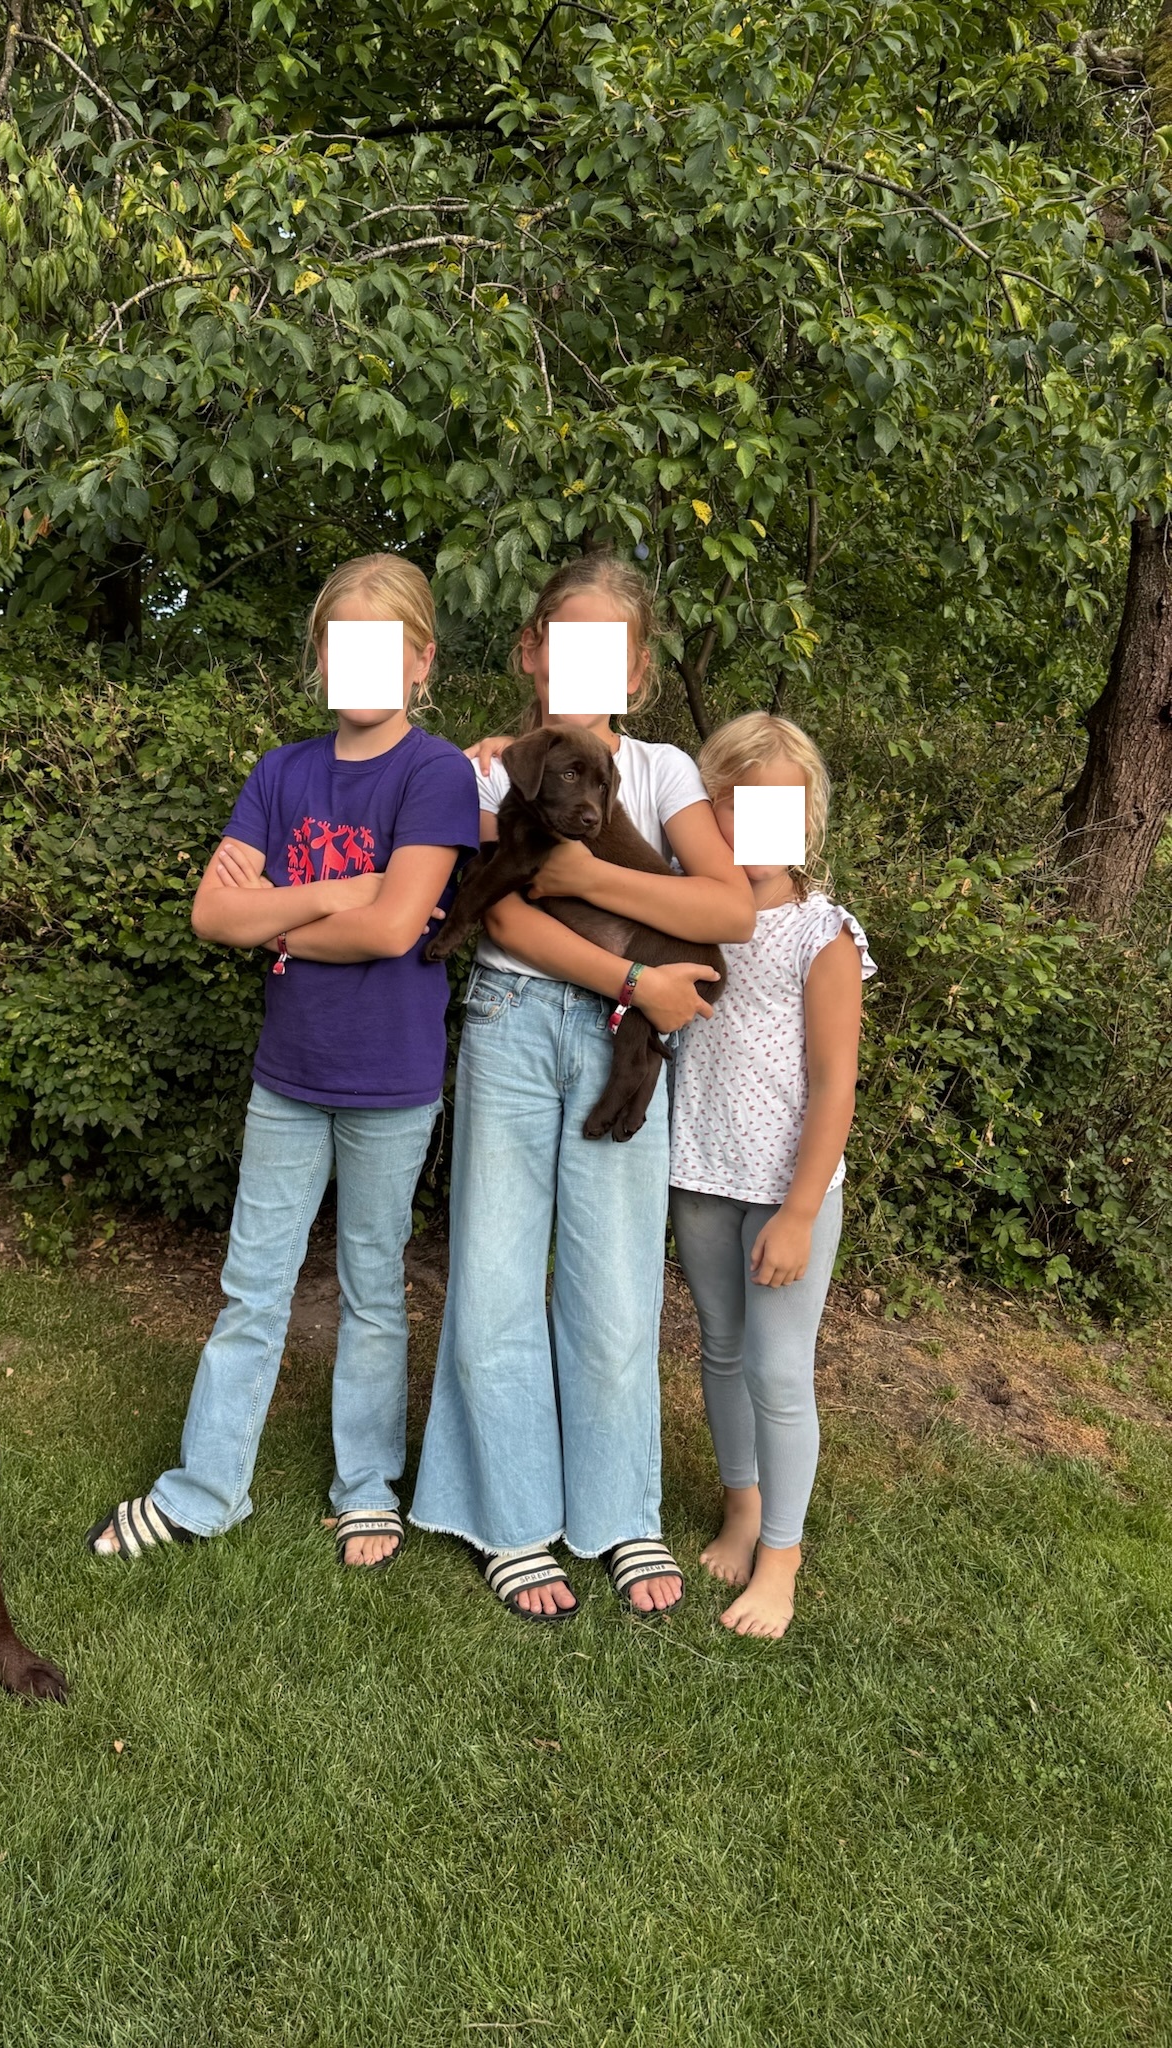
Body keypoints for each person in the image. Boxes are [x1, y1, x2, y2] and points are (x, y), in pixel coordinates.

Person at [87, 554, 480, 1572]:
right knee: (252, 1288)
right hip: (288, 1078)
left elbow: (395, 928)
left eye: (384, 646)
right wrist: (340, 890)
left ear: (421, 660)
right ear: (320, 657)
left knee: (372, 1288)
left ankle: (367, 1487)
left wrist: (280, 918)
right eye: (342, 645)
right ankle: (205, 1489)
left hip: (392, 1081)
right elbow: (212, 914)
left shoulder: (434, 773)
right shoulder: (281, 772)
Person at [409, 554, 755, 1620]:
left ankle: (619, 1512)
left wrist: (592, 875)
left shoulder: (660, 771)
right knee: (495, 1274)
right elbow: (503, 911)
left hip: (622, 1045)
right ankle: (512, 1517)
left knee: (615, 1284)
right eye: (568, 644)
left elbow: (729, 909)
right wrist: (634, 980)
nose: (588, 666)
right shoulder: (493, 775)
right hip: (517, 1022)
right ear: (531, 651)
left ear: (639, 673)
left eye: (613, 651)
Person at [668, 712, 876, 1639]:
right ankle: (743, 1507)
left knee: (778, 1368)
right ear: (708, 809)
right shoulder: (689, 911)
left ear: (807, 819)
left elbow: (835, 1083)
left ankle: (782, 1557)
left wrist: (797, 1212)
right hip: (700, 1170)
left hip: (789, 1192)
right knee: (720, 1347)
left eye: (779, 809)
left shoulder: (821, 933)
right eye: (738, 804)